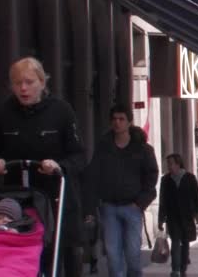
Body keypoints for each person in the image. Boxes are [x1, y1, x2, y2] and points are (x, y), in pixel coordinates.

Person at [0, 57, 86, 276]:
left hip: (56, 196)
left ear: (42, 82)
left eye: (29, 82)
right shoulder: (3, 113)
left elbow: (79, 156)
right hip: (19, 198)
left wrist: (58, 166)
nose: (23, 88)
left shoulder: (61, 111)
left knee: (64, 251)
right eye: (17, 83)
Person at [85, 104, 159, 277]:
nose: (117, 123)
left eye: (121, 119)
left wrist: (140, 203)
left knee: (133, 254)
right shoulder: (104, 146)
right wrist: (92, 205)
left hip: (132, 207)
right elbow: (94, 175)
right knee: (112, 255)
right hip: (109, 207)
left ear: (129, 122)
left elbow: (151, 176)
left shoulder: (142, 148)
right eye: (114, 119)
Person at [158, 154, 198, 277]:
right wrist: (161, 219)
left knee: (185, 243)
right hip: (173, 217)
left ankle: (183, 269)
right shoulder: (166, 180)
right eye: (168, 164)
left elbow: (197, 197)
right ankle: (175, 270)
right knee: (175, 242)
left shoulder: (189, 178)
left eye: (171, 163)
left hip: (187, 216)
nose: (169, 166)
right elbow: (163, 200)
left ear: (178, 164)